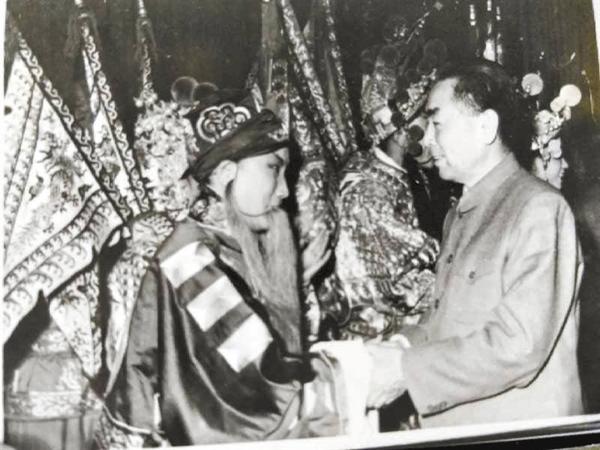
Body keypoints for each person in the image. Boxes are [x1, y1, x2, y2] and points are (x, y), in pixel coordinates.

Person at [95, 81, 349, 447]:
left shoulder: (232, 245)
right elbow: (262, 399)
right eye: (273, 169)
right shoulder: (186, 259)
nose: (284, 191)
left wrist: (294, 288)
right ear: (227, 173)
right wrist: (363, 372)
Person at [366, 61, 584, 427]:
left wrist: (405, 370)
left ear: (485, 127)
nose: (427, 140)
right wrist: (398, 346)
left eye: (437, 124)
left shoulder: (539, 208)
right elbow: (446, 320)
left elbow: (518, 344)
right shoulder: (459, 214)